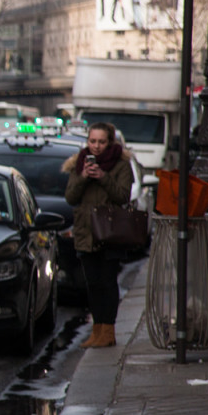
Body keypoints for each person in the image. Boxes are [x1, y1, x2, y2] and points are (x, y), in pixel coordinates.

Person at [63, 121, 134, 348]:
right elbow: (70, 197)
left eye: (101, 142)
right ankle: (97, 330)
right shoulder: (79, 162)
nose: (96, 146)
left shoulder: (121, 165)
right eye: (92, 141)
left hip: (110, 233)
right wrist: (84, 176)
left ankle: (108, 331)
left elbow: (123, 196)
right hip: (86, 232)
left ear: (110, 142)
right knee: (92, 284)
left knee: (107, 283)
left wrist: (103, 176)